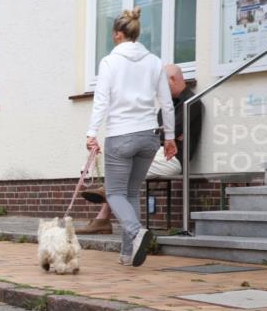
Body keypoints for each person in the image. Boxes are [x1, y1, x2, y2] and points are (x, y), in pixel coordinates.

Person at [86, 8, 176, 267]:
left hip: (121, 135)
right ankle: (128, 254)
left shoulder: (109, 62)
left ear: (117, 34)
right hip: (149, 136)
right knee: (132, 193)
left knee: (114, 193)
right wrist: (169, 137)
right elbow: (166, 104)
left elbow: (101, 101)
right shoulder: (155, 62)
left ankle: (136, 233)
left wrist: (92, 133)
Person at [77, 64, 203, 234]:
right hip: (156, 153)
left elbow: (167, 133)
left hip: (173, 159)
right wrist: (163, 134)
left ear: (173, 80)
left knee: (124, 173)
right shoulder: (166, 107)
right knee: (126, 167)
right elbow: (157, 132)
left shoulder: (192, 103)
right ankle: (103, 218)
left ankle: (107, 206)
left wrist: (165, 134)